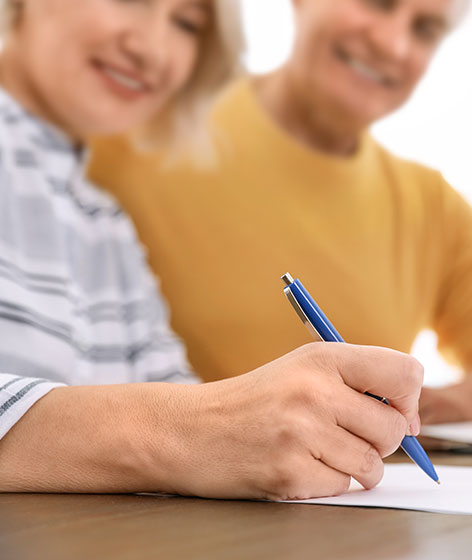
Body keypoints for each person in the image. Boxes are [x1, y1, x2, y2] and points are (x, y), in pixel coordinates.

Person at [88, 0, 472, 425]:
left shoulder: (432, 207)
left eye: (425, 29)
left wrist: (438, 405)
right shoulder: (134, 125)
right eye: (377, 2)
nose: (394, 45)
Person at [0, 0, 424, 500]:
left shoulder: (104, 224)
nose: (152, 49)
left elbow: (180, 403)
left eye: (186, 24)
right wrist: (177, 436)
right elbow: (188, 427)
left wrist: (260, 426)